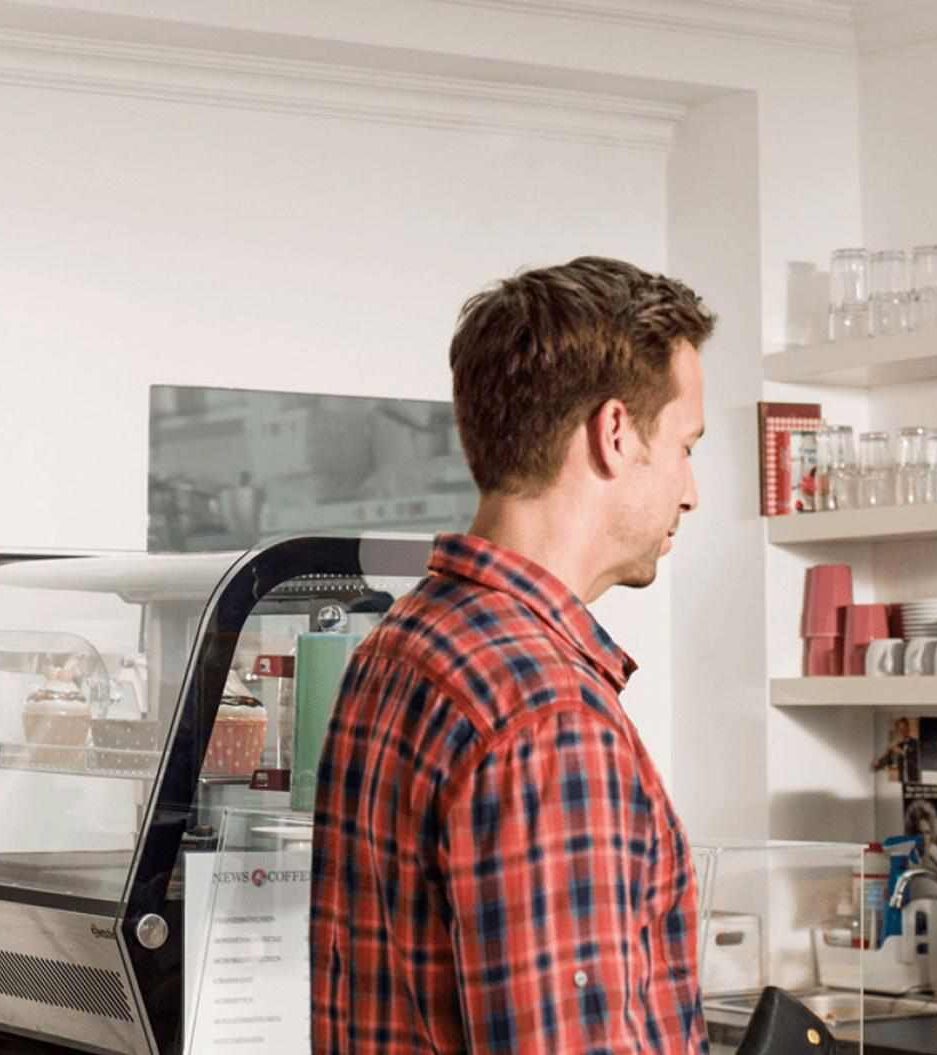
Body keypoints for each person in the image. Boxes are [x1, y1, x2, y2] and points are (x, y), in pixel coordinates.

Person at [310, 257, 716, 1054]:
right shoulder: (548, 715)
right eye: (685, 446)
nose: (692, 490)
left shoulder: (400, 645)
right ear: (615, 433)